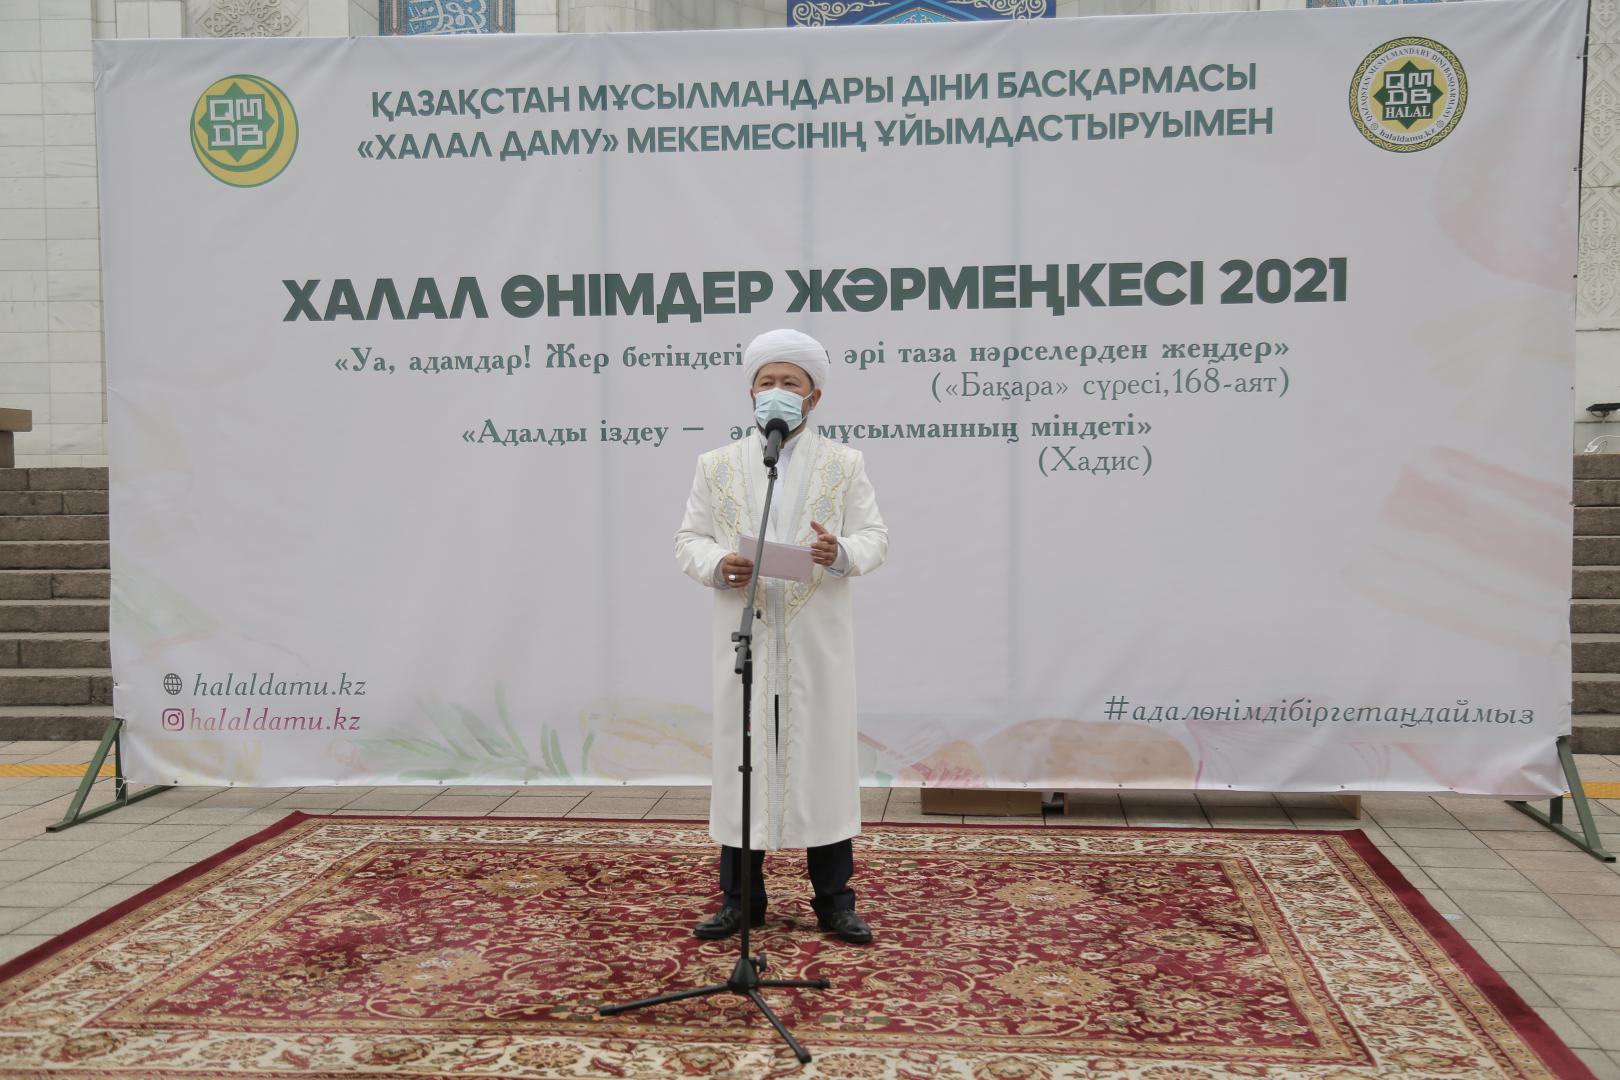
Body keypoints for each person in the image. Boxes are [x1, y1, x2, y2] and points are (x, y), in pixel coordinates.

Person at [674, 328, 889, 945]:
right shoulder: (715, 465)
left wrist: (837, 550)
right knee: (743, 762)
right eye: (766, 382)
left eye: (789, 383)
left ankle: (835, 902)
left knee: (821, 762)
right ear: (750, 393)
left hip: (815, 642)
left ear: (813, 398)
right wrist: (718, 564)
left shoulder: (845, 463)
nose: (776, 392)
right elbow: (688, 540)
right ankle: (741, 902)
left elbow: (875, 537)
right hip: (746, 638)